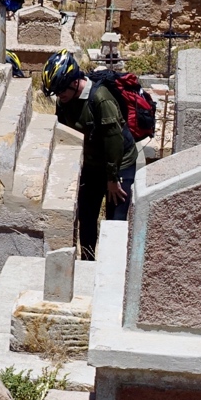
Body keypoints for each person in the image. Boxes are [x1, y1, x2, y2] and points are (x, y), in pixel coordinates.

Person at [42, 51, 137, 260]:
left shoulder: (101, 99)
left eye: (61, 91)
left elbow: (114, 142)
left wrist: (112, 179)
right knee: (86, 216)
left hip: (119, 164)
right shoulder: (65, 100)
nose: (59, 97)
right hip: (92, 165)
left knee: (115, 222)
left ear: (74, 82)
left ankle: (112, 267)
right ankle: (88, 262)